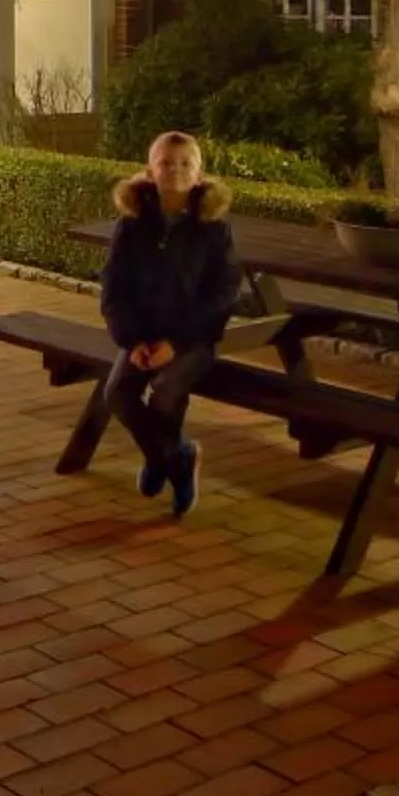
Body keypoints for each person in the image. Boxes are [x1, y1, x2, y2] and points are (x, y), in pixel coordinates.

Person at [98, 130, 240, 518]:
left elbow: (222, 294)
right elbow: (113, 286)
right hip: (142, 335)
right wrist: (134, 339)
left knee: (165, 391)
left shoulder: (214, 228)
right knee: (117, 393)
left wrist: (175, 343)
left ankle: (161, 460)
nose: (175, 170)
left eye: (185, 163)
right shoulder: (132, 225)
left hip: (192, 339)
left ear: (199, 173)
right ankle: (175, 457)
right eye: (165, 163)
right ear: (149, 171)